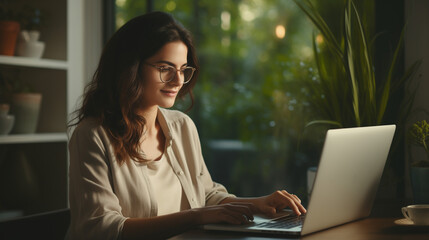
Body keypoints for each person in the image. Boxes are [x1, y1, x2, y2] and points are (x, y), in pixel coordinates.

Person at [66, 11, 306, 240]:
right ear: (130, 67)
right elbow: (101, 228)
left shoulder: (182, 126)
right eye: (165, 68)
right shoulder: (93, 135)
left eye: (182, 69)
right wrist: (194, 217)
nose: (178, 80)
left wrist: (259, 203)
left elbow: (207, 195)